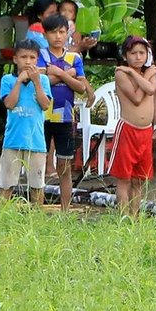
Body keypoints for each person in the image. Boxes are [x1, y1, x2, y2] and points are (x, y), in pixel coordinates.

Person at [40, 16, 91, 211]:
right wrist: (67, 74)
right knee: (38, 164)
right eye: (53, 32)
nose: (58, 36)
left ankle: (65, 210)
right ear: (45, 35)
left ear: (67, 34)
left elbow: (80, 87)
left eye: (62, 32)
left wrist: (59, 74)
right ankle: (36, 207)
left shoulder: (74, 58)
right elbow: (41, 80)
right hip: (42, 116)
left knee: (64, 166)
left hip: (65, 118)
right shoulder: (39, 55)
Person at [0, 41, 52, 202]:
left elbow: (45, 105)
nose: (27, 62)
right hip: (13, 141)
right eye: (23, 57)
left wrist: (36, 82)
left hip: (36, 142)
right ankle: (1, 217)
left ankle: (37, 218)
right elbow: (9, 104)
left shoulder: (43, 80)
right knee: (6, 184)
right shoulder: (8, 80)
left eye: (32, 57)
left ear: (37, 59)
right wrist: (19, 81)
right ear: (15, 59)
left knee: (37, 185)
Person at [110, 36, 156, 217]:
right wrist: (136, 75)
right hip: (128, 130)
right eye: (133, 53)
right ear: (125, 56)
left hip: (145, 132)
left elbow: (152, 90)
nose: (138, 57)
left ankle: (135, 216)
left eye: (142, 53)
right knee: (124, 178)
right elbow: (137, 98)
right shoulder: (121, 73)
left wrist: (140, 75)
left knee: (139, 179)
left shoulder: (151, 72)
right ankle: (124, 217)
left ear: (147, 55)